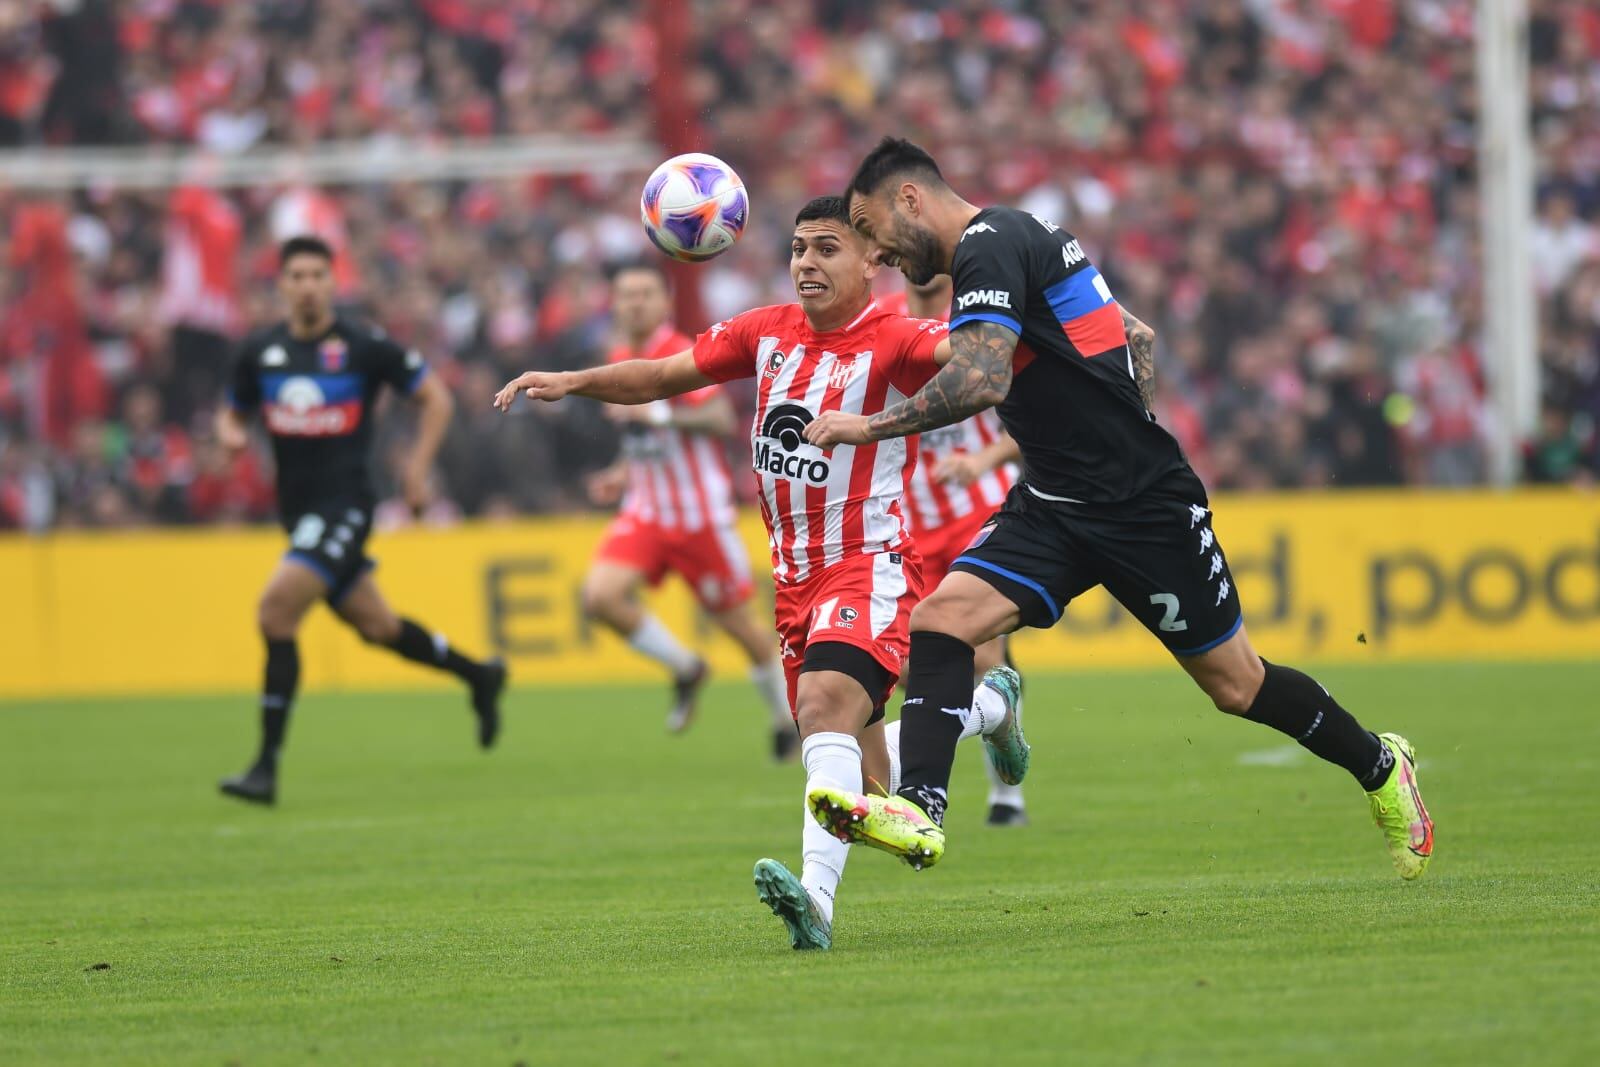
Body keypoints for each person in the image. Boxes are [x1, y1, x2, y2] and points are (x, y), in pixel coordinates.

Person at [804, 138, 1434, 881]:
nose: (877, 257)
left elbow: (980, 378)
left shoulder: (990, 242)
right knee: (941, 620)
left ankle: (1380, 764)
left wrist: (866, 425)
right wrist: (1109, 422)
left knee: (1238, 685)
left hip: (1143, 511)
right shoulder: (1028, 239)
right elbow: (1137, 334)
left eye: (872, 233)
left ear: (909, 200)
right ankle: (920, 807)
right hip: (1054, 504)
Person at [494, 196, 1027, 950]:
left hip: (866, 565)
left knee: (820, 706)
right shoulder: (763, 331)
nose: (807, 263)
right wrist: (575, 379)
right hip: (793, 581)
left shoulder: (897, 338)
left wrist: (1056, 315)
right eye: (799, 249)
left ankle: (815, 905)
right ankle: (989, 710)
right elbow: (660, 376)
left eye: (828, 250)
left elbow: (978, 355)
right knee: (869, 778)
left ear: (871, 261)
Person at [217, 235, 506, 806]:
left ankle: (265, 767)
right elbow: (234, 410)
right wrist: (229, 432)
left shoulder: (363, 346)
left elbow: (436, 399)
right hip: (298, 513)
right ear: (282, 285)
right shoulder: (260, 352)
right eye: (295, 275)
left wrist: (418, 470)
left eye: (316, 275)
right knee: (378, 627)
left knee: (275, 612)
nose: (306, 285)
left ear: (331, 282)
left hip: (346, 505)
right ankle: (479, 676)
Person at [581, 263, 795, 755]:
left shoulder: (681, 352)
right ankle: (686, 667)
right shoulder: (618, 355)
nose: (635, 303)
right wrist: (621, 469)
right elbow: (645, 438)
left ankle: (786, 722)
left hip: (700, 517)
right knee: (600, 597)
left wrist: (655, 411)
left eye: (645, 294)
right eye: (626, 295)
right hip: (647, 511)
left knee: (743, 630)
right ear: (614, 304)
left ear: (664, 303)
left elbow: (719, 418)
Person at [883, 277, 1030, 826]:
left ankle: (1004, 799)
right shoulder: (882, 324)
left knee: (983, 658)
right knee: (897, 667)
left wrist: (982, 462)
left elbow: (1034, 421)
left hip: (978, 516)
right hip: (907, 528)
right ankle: (997, 718)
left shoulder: (982, 325)